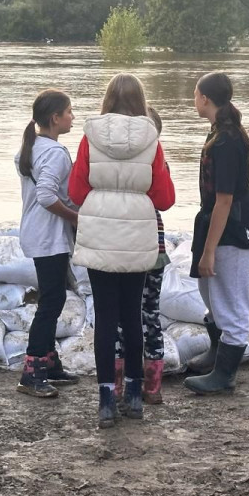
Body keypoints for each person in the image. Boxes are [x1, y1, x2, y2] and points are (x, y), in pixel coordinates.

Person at [68, 74, 175, 430]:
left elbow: (76, 189)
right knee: (132, 316)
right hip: (137, 234)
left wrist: (103, 198)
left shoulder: (90, 137)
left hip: (99, 232)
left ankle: (104, 403)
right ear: (141, 101)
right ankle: (133, 396)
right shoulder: (152, 139)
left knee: (105, 318)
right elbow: (164, 198)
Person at [184, 72, 249, 395]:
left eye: (194, 94)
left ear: (205, 98)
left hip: (234, 227)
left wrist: (209, 250)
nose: (193, 100)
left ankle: (225, 374)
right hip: (216, 222)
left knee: (230, 300)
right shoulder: (218, 132)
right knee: (208, 291)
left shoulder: (228, 140)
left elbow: (225, 198)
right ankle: (217, 352)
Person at [15, 89, 81, 398]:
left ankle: (50, 362)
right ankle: (32, 371)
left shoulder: (32, 148)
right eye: (69, 112)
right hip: (49, 236)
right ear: (55, 118)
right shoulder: (55, 152)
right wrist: (74, 217)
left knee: (53, 296)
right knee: (51, 302)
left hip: (36, 232)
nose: (72, 117)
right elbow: (45, 195)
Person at [114, 106, 169, 406]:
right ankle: (153, 386)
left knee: (122, 317)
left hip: (129, 246)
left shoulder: (124, 160)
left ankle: (119, 385)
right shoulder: (159, 160)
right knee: (150, 313)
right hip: (156, 247)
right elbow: (167, 199)